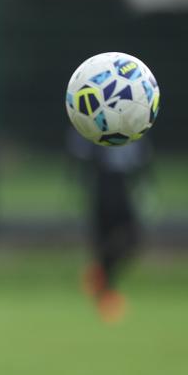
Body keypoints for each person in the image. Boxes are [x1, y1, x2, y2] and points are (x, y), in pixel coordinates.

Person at [69, 130, 150, 324]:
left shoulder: (133, 121)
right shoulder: (88, 125)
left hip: (122, 186)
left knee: (131, 239)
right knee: (102, 241)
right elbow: (79, 156)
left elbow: (142, 159)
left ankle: (100, 276)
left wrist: (145, 184)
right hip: (101, 185)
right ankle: (106, 295)